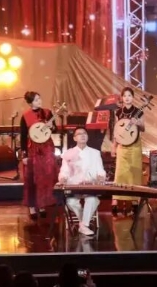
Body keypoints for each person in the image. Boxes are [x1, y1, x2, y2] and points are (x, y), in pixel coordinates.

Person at [59, 127, 107, 236]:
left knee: (92, 199)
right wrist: (63, 177)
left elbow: (100, 170)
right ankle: (84, 222)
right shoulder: (69, 153)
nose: (83, 135)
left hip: (90, 185)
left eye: (84, 133)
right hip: (74, 186)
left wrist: (101, 176)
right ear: (74, 138)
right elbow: (64, 171)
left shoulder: (95, 153)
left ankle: (84, 225)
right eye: (79, 134)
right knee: (71, 202)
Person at [20, 91, 59, 220]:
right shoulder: (25, 116)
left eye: (40, 99)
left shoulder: (47, 113)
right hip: (32, 149)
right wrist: (24, 155)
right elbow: (23, 137)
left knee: (46, 175)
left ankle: (43, 204)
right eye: (36, 100)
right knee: (32, 177)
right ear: (30, 103)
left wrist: (51, 126)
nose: (39, 101)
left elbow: (55, 129)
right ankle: (32, 207)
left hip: (47, 148)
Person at [110, 87, 146, 217]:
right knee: (120, 174)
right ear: (122, 98)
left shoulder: (138, 111)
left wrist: (138, 123)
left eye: (129, 95)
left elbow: (143, 128)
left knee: (134, 174)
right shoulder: (118, 112)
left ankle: (135, 202)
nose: (127, 98)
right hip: (122, 146)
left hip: (135, 146)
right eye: (124, 95)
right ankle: (115, 202)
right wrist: (114, 146)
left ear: (133, 97)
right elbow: (117, 131)